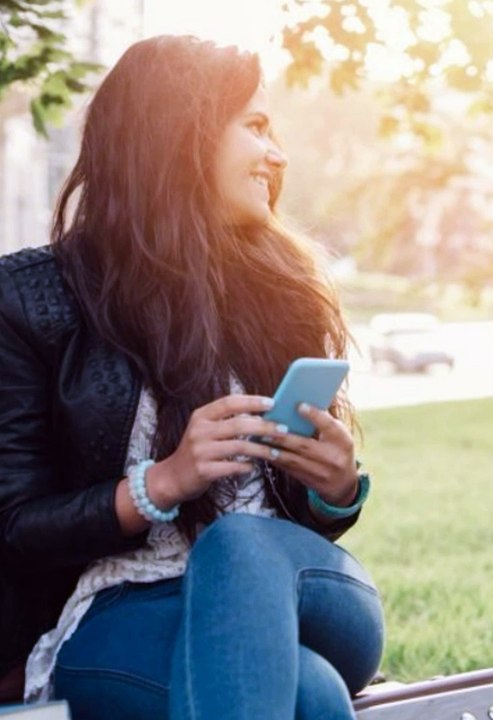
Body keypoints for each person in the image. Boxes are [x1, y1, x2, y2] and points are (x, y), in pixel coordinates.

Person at [0, 35, 384, 718]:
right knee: (309, 694)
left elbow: (302, 519)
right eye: (256, 126)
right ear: (182, 134)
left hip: (302, 587)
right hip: (122, 607)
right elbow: (15, 526)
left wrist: (334, 489)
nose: (278, 154)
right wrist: (162, 483)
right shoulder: (34, 300)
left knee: (238, 543)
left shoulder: (282, 290)